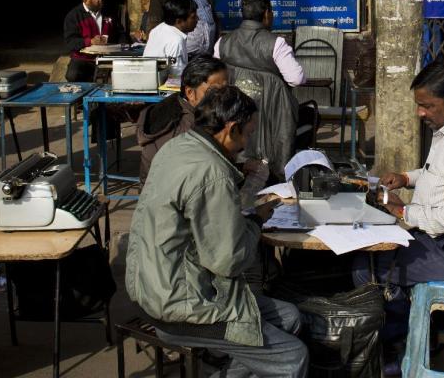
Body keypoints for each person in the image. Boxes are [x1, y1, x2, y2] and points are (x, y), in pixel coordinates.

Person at [126, 86, 308, 378]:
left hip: (154, 284)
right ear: (231, 129)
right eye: (247, 133)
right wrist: (256, 221)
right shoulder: (213, 173)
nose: (246, 142)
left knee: (290, 317)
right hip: (180, 305)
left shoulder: (178, 146)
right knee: (293, 357)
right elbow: (228, 261)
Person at [352, 61, 444, 370]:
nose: (421, 113)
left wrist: (404, 211)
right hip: (437, 238)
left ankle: (404, 342)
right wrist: (406, 178)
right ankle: (410, 331)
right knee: (370, 255)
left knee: (369, 270)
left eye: (427, 106)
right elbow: (439, 175)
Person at [215, 0, 305, 179]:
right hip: (273, 108)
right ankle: (275, 181)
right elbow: (296, 79)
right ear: (266, 14)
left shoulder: (223, 41)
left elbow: (215, 74)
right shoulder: (276, 43)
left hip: (235, 106)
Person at [136, 55, 228, 183]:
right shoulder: (186, 131)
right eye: (215, 91)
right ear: (190, 93)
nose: (224, 97)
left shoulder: (183, 107)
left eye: (226, 90)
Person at [63, 0, 123, 82]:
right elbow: (70, 42)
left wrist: (123, 46)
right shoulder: (73, 16)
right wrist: (90, 41)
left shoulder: (109, 13)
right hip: (83, 59)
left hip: (106, 57)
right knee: (72, 75)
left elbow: (120, 33)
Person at [143, 0, 198, 76]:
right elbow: (177, 74)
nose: (197, 19)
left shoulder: (159, 28)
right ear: (179, 21)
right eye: (193, 17)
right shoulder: (176, 40)